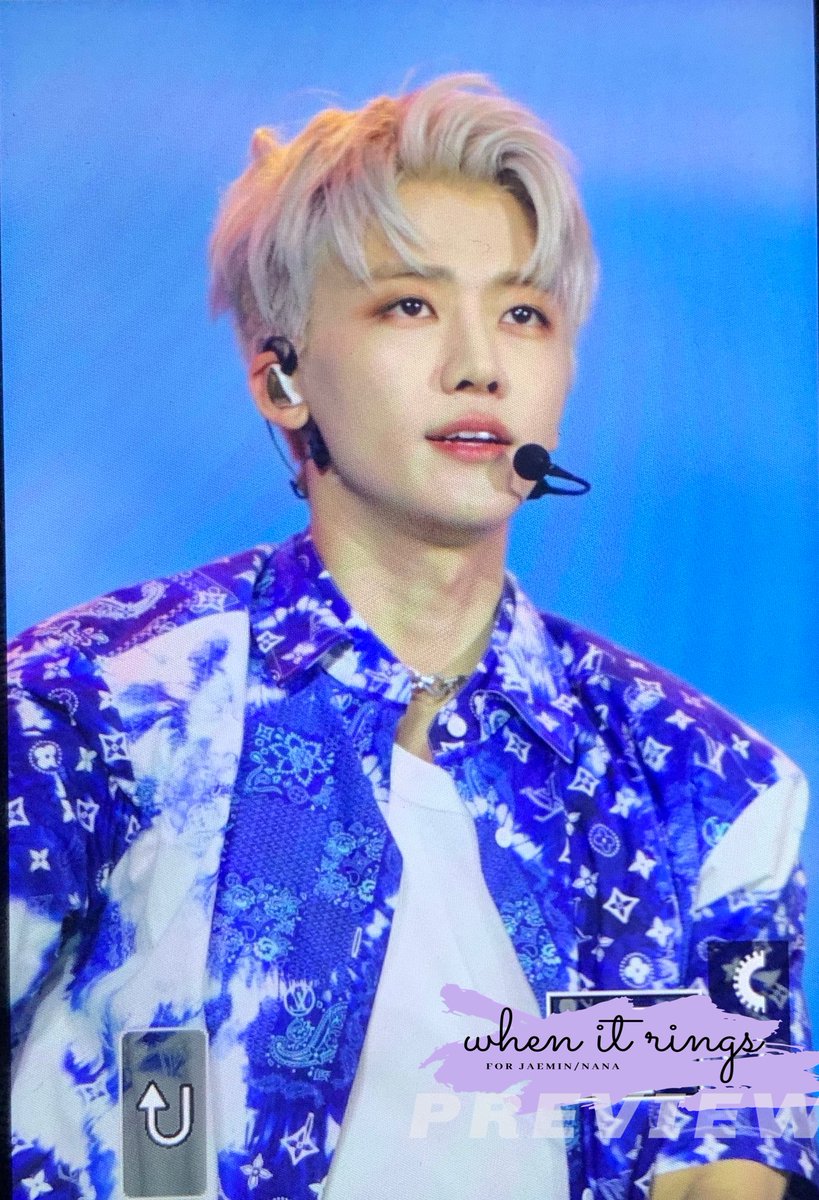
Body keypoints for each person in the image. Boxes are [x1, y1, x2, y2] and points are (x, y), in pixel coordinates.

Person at [8, 73, 817, 1200]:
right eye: (409, 306)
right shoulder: (88, 715)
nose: (480, 363)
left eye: (524, 314)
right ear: (281, 375)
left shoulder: (705, 787)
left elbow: (719, 1171)